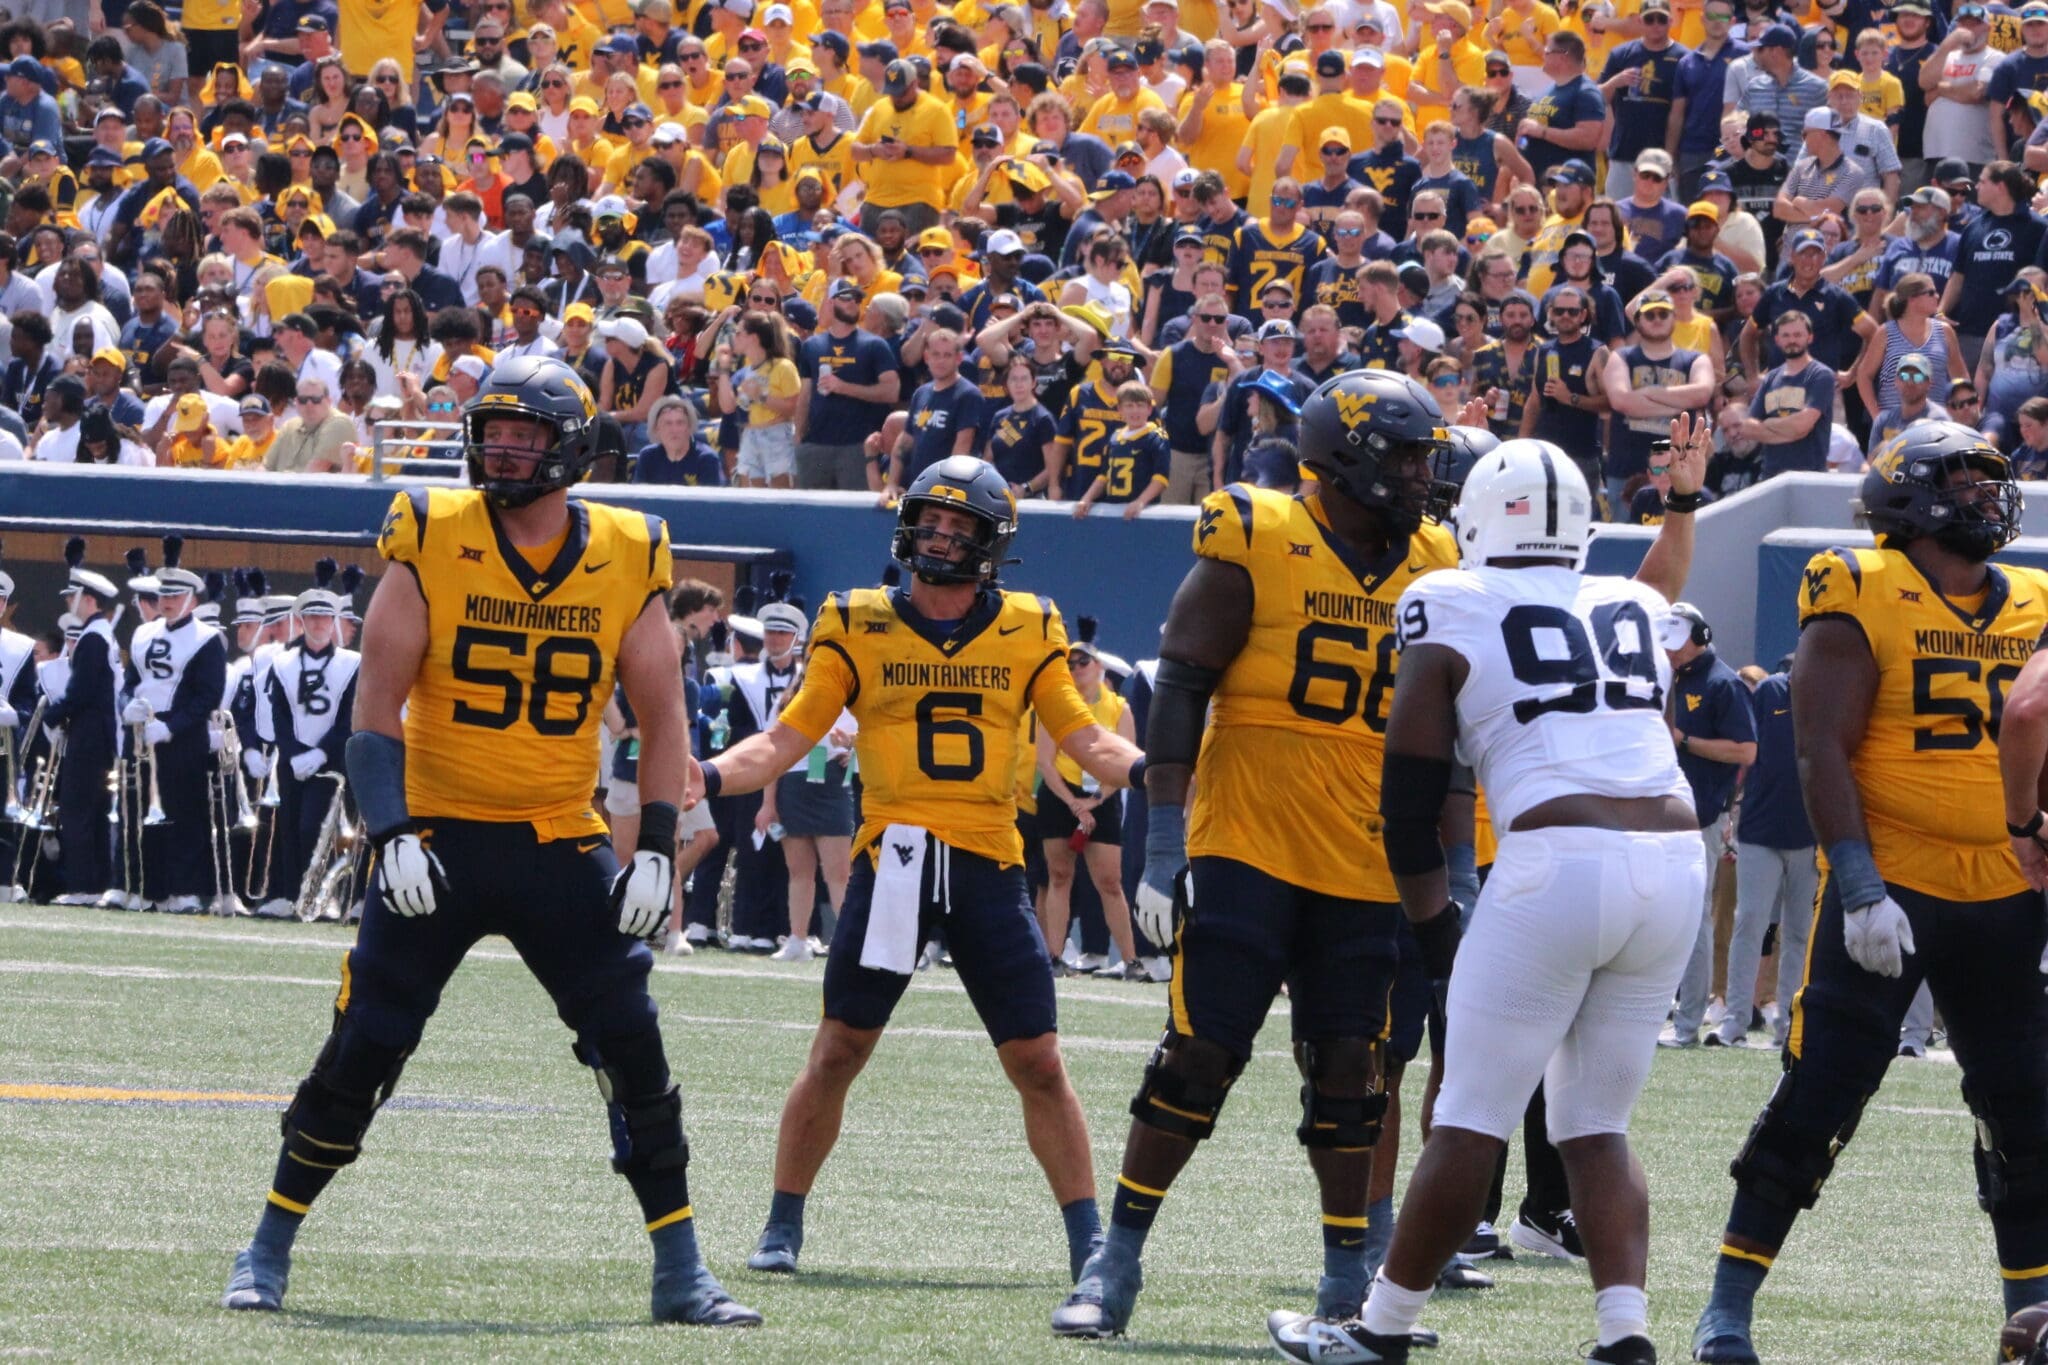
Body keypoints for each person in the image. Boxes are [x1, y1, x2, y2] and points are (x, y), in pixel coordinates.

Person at [218, 356, 760, 1330]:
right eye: (493, 430)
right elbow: (373, 711)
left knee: (630, 1041)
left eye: (525, 434)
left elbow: (663, 716)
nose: (501, 447)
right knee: (367, 1042)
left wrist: (654, 847)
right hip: (435, 836)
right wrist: (390, 832)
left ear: (573, 449)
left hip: (559, 834)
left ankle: (681, 1267)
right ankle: (267, 1244)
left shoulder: (631, 549)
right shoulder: (431, 530)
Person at [1053, 373, 1492, 1342]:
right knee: (1195, 1057)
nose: (1425, 473)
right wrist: (1164, 844)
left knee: (1353, 1070)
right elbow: (1180, 686)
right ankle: (1112, 1263)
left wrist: (1453, 875)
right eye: (1406, 454)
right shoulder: (1253, 532)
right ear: (1346, 460)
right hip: (1245, 841)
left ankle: (1347, 1283)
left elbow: (1447, 733)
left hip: (1365, 860)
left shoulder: (1437, 560)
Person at [1268, 421, 1711, 1365]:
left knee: (1469, 1113)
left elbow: (1411, 790)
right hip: (1675, 862)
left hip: (1557, 856)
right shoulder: (1627, 602)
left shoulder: (1448, 597)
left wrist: (1434, 928)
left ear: (1474, 519)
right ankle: (1624, 1334)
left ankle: (1377, 1330)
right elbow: (1656, 589)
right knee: (1597, 1122)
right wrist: (1681, 501)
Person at [696, 455, 1146, 1285]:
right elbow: (785, 740)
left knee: (1039, 1060)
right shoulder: (854, 619)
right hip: (893, 860)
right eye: (929, 521)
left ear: (991, 543)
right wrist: (712, 774)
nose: (938, 537)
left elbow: (1086, 739)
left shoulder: (1029, 625)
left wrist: (1153, 769)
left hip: (985, 861)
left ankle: (1089, 1239)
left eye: (958, 526)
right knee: (838, 1048)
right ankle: (782, 1219)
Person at [1694, 423, 2048, 1364]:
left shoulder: (2037, 600)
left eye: (1991, 480)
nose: (1987, 495)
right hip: (1894, 884)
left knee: (2027, 1109)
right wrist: (1856, 885)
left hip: (2010, 891)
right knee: (1821, 1094)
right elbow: (1819, 749)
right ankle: (1727, 1306)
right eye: (1965, 480)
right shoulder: (1858, 585)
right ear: (1912, 495)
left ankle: (2035, 1318)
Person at [1656, 602, 1759, 1050]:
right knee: (1660, 920)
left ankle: (1688, 1023)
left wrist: (1686, 742)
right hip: (1659, 818)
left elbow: (1745, 751)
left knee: (1694, 919)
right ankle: (1666, 1011)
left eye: (1678, 644)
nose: (1671, 652)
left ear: (1701, 635)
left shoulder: (1724, 684)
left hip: (1701, 820)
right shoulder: (1668, 678)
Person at [1716, 662, 1813, 1051]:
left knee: (1798, 932)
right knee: (1749, 923)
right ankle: (1734, 1020)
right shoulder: (1770, 693)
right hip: (1759, 829)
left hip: (1809, 834)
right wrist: (1730, 811)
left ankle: (1790, 1027)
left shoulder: (1830, 695)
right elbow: (1744, 752)